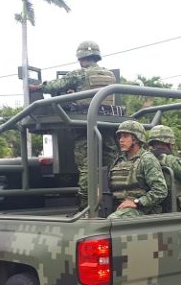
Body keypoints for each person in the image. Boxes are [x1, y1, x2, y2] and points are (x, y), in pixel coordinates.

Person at [32, 40, 118, 210]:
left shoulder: (79, 74)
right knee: (112, 165)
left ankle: (86, 207)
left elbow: (56, 85)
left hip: (84, 125)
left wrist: (37, 87)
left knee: (87, 167)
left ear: (81, 58)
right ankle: (115, 200)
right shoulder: (110, 75)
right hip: (107, 124)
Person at [107, 120, 168, 219]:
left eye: (125, 136)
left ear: (136, 139)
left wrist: (137, 202)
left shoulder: (147, 159)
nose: (121, 140)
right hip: (120, 207)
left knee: (112, 220)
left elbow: (160, 191)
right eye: (120, 137)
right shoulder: (118, 160)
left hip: (143, 210)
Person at [148, 125, 181, 212]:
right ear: (170, 143)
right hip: (176, 212)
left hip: (153, 211)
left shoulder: (145, 160)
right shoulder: (170, 160)